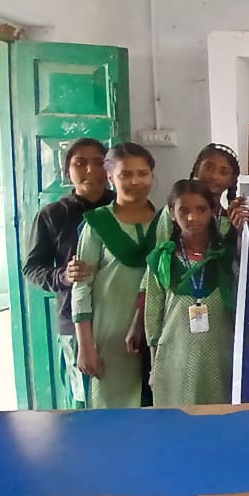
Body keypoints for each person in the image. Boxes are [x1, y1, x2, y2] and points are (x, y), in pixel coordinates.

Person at [22, 138, 113, 409]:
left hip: (122, 319)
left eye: (98, 162)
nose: (90, 170)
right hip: (74, 323)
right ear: (67, 170)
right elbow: (32, 268)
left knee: (127, 400)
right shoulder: (53, 215)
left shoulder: (125, 208)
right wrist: (64, 276)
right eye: (80, 163)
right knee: (84, 401)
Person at [71, 142, 160, 409]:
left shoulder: (165, 222)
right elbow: (82, 287)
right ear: (110, 177)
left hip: (156, 335)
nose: (135, 181)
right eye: (125, 174)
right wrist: (86, 346)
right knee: (113, 415)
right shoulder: (98, 223)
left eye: (143, 173)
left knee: (155, 410)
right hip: (108, 337)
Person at [144, 180, 236, 407]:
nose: (192, 217)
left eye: (201, 209)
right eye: (183, 210)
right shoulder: (162, 259)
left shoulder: (227, 257)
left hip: (221, 353)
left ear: (212, 211)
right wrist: (154, 364)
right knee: (178, 417)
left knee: (219, 414)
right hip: (175, 356)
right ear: (172, 214)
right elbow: (153, 313)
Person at [189, 143, 249, 237]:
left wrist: (237, 230)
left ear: (232, 180)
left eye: (224, 172)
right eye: (209, 168)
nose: (214, 176)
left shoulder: (231, 219)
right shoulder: (176, 211)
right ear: (197, 169)